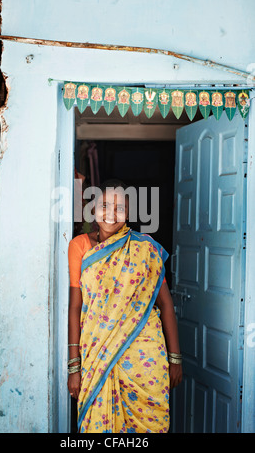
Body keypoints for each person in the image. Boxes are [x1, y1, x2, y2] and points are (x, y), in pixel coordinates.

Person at [68, 179, 182, 433]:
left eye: (120, 207)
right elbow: (75, 307)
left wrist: (175, 359)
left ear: (129, 212)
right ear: (92, 208)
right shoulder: (80, 246)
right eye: (105, 205)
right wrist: (73, 365)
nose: (111, 213)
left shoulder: (145, 248)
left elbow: (165, 303)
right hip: (97, 353)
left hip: (145, 358)